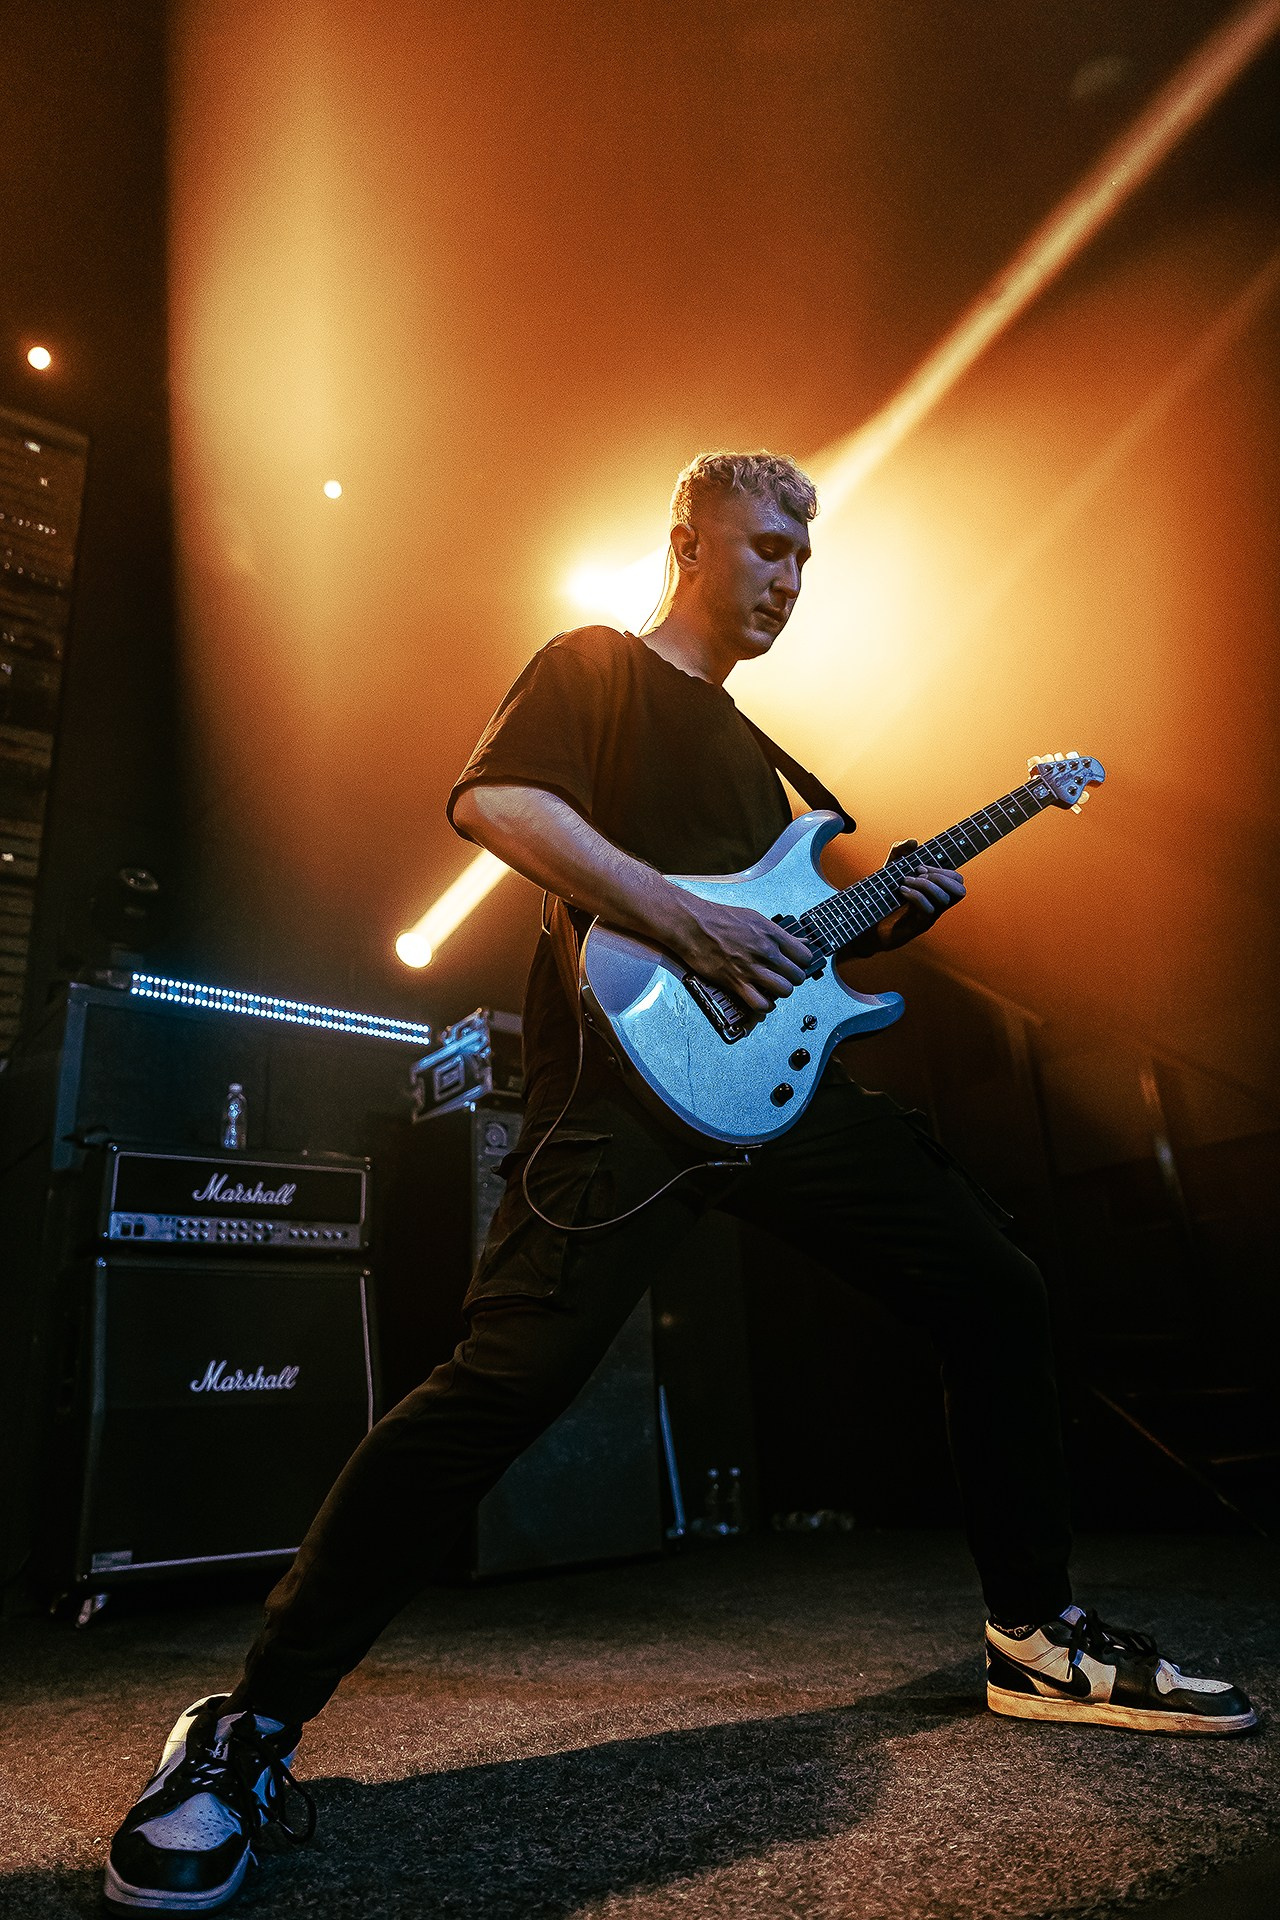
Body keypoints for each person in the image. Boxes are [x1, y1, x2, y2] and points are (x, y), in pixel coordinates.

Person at [103, 452, 1256, 1914]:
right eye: (767, 547)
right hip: (619, 1099)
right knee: (498, 1391)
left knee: (995, 1285)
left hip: (776, 1096)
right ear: (687, 543)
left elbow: (784, 941)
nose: (788, 579)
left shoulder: (763, 758)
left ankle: (1033, 1635)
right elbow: (498, 804)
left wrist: (881, 916)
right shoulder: (594, 666)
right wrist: (692, 926)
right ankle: (245, 1729)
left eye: (804, 560)